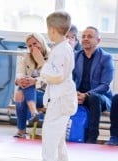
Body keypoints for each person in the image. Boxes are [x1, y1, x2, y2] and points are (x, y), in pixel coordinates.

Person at [40, 11, 77, 161]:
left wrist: (41, 63)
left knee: (50, 137)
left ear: (53, 30)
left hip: (61, 100)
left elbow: (57, 76)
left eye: (48, 29)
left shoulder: (62, 50)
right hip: (60, 98)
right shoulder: (61, 48)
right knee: (58, 137)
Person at [73, 26, 114, 144]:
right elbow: (69, 79)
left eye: (90, 37)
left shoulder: (106, 58)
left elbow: (105, 85)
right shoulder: (76, 56)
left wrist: (87, 94)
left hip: (101, 98)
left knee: (94, 98)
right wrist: (74, 93)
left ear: (98, 40)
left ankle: (92, 138)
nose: (85, 39)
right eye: (84, 36)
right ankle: (63, 135)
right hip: (79, 96)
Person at [14, 33, 50, 138]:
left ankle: (21, 130)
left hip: (46, 94)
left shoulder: (51, 56)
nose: (33, 47)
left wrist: (35, 81)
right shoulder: (26, 57)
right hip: (28, 93)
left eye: (35, 43)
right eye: (29, 45)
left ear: (41, 42)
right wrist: (19, 80)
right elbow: (19, 74)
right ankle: (34, 113)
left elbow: (50, 78)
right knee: (21, 91)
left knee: (26, 87)